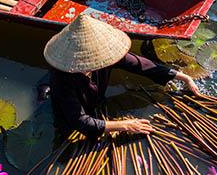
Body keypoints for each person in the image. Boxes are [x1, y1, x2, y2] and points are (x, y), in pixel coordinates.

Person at [44, 14, 199, 138]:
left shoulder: (105, 56)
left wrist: (183, 77)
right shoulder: (62, 77)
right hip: (71, 118)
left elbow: (142, 65)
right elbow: (79, 121)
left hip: (96, 105)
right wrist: (125, 125)